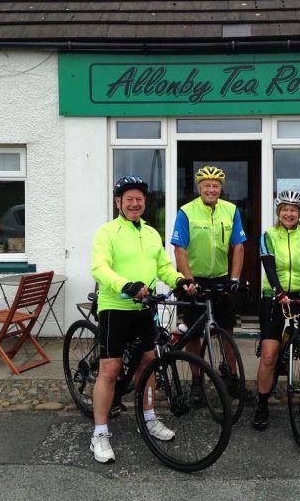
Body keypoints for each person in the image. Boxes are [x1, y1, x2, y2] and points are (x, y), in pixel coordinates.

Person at [90, 175, 196, 463]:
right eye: (129, 200)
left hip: (144, 308)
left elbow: (163, 266)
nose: (134, 204)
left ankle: (148, 417)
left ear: (144, 203)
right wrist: (126, 285)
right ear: (118, 203)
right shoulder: (107, 232)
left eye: (139, 199)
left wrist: (180, 280)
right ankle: (99, 433)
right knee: (110, 371)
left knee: (148, 363)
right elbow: (99, 267)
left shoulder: (150, 233)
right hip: (116, 307)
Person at [253, 190, 300, 431]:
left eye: (293, 210)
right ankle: (262, 403)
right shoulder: (268, 235)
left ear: (299, 213)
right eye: (285, 209)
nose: (289, 213)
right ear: (279, 212)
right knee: (270, 355)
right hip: (274, 297)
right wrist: (278, 291)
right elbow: (269, 265)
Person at [170, 165, 246, 399]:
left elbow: (239, 246)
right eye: (207, 186)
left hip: (220, 277)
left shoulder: (231, 210)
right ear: (199, 187)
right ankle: (196, 381)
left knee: (226, 329)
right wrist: (189, 280)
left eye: (215, 186)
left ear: (221, 188)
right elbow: (179, 248)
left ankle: (231, 378)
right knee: (193, 332)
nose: (211, 189)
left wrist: (234, 278)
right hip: (195, 278)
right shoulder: (186, 212)